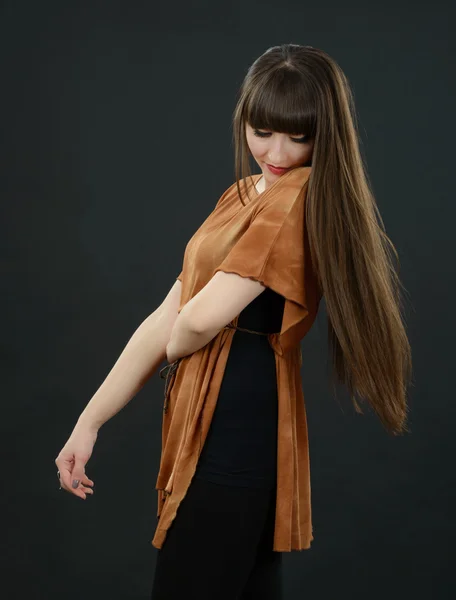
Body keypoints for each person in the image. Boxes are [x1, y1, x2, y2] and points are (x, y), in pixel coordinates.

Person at [55, 44, 412, 599]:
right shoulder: (244, 194)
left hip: (236, 432)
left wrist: (179, 338)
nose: (277, 152)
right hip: (229, 424)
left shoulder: (296, 198)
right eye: (263, 130)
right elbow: (169, 311)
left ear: (326, 135)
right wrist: (90, 421)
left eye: (299, 136)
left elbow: (194, 320)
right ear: (244, 116)